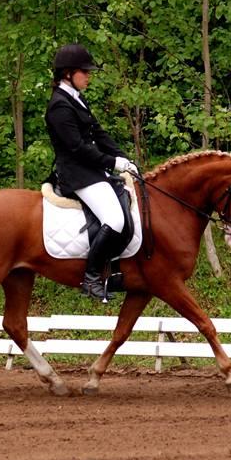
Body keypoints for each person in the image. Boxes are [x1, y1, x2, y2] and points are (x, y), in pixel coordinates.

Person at [45, 43, 138, 301]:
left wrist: (123, 158)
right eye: (84, 72)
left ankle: (116, 270)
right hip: (76, 174)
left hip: (91, 169)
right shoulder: (59, 107)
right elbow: (76, 148)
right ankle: (91, 277)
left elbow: (98, 133)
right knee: (115, 219)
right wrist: (111, 163)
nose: (89, 76)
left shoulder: (76, 98)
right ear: (67, 74)